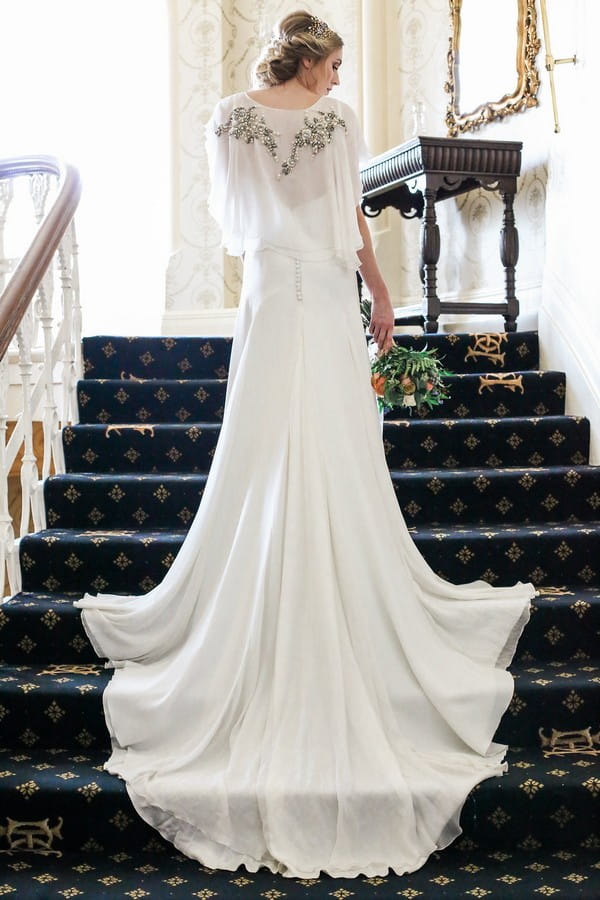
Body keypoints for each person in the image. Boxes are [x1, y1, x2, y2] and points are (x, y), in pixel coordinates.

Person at [76, 10, 535, 880]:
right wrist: (378, 289)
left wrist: (313, 264)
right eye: (333, 61)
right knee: (322, 439)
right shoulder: (336, 120)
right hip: (321, 295)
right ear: (312, 56)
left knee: (267, 442)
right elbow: (344, 213)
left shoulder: (226, 117)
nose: (337, 75)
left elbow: (234, 220)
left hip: (269, 294)